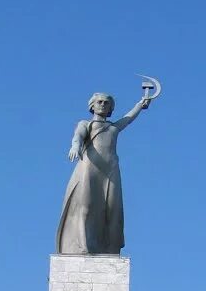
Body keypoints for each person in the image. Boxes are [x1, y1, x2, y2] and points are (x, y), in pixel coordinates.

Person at [56, 91, 153, 256]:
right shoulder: (86, 124)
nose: (102, 104)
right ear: (92, 106)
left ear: (110, 108)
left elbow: (128, 118)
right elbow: (78, 136)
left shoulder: (113, 128)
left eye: (106, 103)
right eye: (99, 102)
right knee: (85, 207)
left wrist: (140, 104)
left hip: (110, 171)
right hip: (90, 167)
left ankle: (108, 247)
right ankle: (82, 245)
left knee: (111, 209)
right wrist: (75, 146)